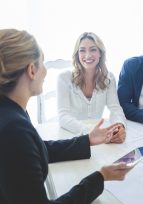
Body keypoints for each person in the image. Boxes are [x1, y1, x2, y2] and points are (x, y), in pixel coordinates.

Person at [0, 29, 130, 204]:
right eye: (43, 63)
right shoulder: (14, 129)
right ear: (32, 70)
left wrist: (88, 140)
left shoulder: (13, 113)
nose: (46, 71)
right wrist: (100, 177)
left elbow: (37, 149)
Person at [57, 32, 126, 143]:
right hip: (71, 137)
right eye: (82, 50)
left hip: (98, 139)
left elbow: (115, 108)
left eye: (93, 49)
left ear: (100, 53)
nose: (88, 55)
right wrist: (91, 132)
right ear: (77, 54)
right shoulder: (64, 78)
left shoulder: (109, 78)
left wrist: (119, 126)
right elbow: (63, 117)